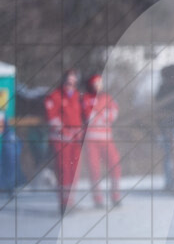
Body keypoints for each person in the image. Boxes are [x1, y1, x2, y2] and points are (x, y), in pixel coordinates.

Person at [43, 69, 85, 214]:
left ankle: (70, 202)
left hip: (75, 140)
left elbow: (83, 116)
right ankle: (63, 203)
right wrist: (63, 130)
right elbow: (52, 117)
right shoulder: (54, 96)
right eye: (68, 81)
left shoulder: (78, 97)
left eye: (74, 82)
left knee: (74, 172)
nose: (70, 85)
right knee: (64, 171)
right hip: (61, 140)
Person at [80, 74, 122, 207]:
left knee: (115, 165)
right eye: (95, 83)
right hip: (91, 140)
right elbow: (88, 116)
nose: (98, 85)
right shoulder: (85, 98)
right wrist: (100, 115)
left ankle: (115, 195)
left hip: (106, 139)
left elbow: (113, 113)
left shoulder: (107, 97)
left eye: (100, 82)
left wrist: (101, 115)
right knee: (94, 169)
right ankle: (97, 198)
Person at [155, 64, 174, 191]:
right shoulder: (163, 90)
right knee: (169, 155)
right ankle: (170, 182)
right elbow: (160, 108)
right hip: (168, 126)